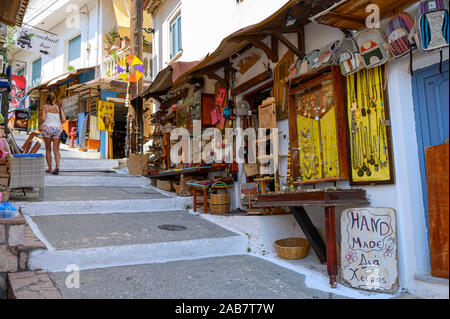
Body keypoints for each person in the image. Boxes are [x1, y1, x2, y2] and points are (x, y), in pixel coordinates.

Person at [40, 92, 66, 175]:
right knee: (56, 150)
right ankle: (57, 167)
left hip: (47, 128)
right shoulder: (59, 107)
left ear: (47, 99)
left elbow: (43, 118)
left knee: (48, 150)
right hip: (57, 129)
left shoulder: (45, 107)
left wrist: (41, 120)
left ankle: (50, 169)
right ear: (55, 99)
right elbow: (64, 120)